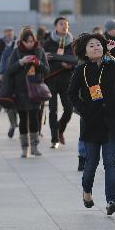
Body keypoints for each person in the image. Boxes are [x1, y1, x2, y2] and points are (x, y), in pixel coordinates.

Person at [68, 32, 115, 215]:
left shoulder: (111, 65)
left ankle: (111, 200)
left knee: (110, 162)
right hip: (91, 124)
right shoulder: (80, 71)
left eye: (98, 44)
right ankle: (87, 190)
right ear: (85, 51)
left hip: (112, 122)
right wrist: (84, 110)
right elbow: (72, 94)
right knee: (91, 163)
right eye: (91, 45)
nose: (96, 48)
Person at [3, 27, 49, 158]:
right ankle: (24, 148)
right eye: (27, 41)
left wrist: (38, 62)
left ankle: (34, 146)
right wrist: (21, 62)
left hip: (35, 90)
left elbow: (46, 70)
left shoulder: (39, 51)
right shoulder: (17, 52)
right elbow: (9, 70)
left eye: (32, 40)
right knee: (23, 119)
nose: (30, 43)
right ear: (22, 41)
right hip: (20, 90)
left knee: (35, 118)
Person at [43, 16, 76, 149]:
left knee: (69, 108)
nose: (64, 26)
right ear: (56, 26)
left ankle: (60, 128)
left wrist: (70, 66)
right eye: (61, 24)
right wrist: (44, 57)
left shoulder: (72, 43)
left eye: (66, 24)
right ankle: (54, 138)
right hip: (51, 79)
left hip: (66, 79)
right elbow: (41, 56)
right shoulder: (48, 42)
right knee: (52, 109)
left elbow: (76, 60)